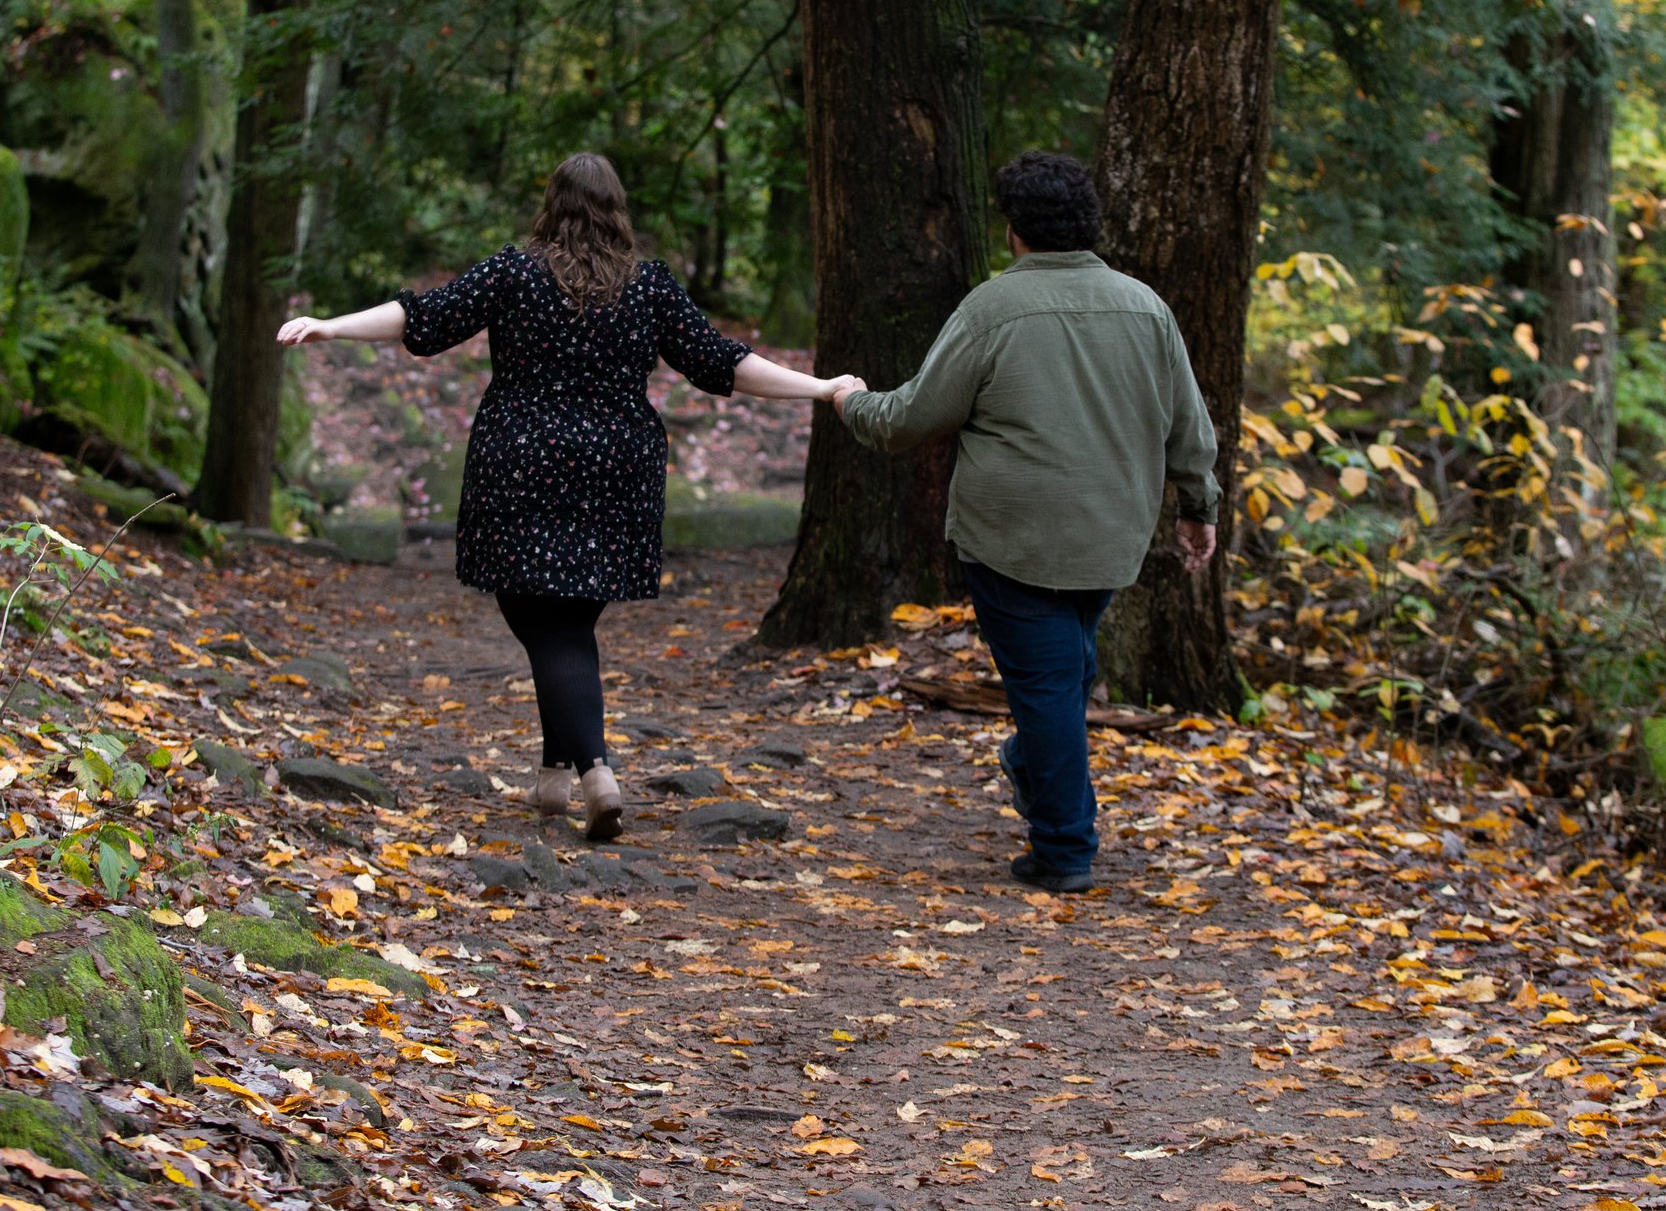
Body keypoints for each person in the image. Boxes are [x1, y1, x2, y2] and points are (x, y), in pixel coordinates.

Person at [280, 153, 852, 841]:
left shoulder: (515, 272)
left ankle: (595, 769)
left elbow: (421, 318)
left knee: (545, 620)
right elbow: (722, 361)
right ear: (617, 210)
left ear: (551, 205)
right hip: (618, 469)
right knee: (568, 617)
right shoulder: (648, 286)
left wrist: (332, 325)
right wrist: (819, 388)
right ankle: (554, 771)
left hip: (523, 461)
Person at [829, 151, 1219, 893]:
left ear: (1013, 230)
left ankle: (1065, 848)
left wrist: (852, 402)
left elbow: (911, 417)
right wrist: (1199, 507)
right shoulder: (1146, 307)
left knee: (1048, 685)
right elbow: (1189, 428)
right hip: (1111, 536)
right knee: (1065, 670)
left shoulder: (992, 309)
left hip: (1011, 540)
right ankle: (1037, 765)